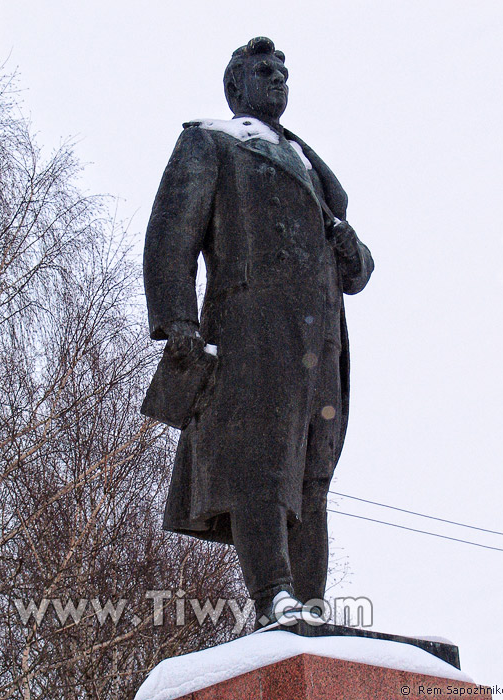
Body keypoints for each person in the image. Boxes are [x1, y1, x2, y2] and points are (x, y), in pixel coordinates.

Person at [143, 36, 374, 628]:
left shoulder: (311, 165)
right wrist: (179, 322)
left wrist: (354, 250)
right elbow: (172, 235)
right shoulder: (211, 141)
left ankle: (313, 605)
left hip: (321, 341)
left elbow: (357, 275)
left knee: (312, 473)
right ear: (234, 87)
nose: (277, 79)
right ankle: (274, 594)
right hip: (251, 331)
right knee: (260, 465)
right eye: (264, 71)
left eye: (283, 72)